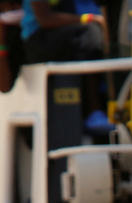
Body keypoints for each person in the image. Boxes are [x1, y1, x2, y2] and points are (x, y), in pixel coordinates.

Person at [20, 0, 113, 134]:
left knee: (93, 39)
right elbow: (45, 19)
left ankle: (96, 111)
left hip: (60, 38)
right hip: (38, 41)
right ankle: (93, 111)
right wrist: (89, 18)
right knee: (90, 34)